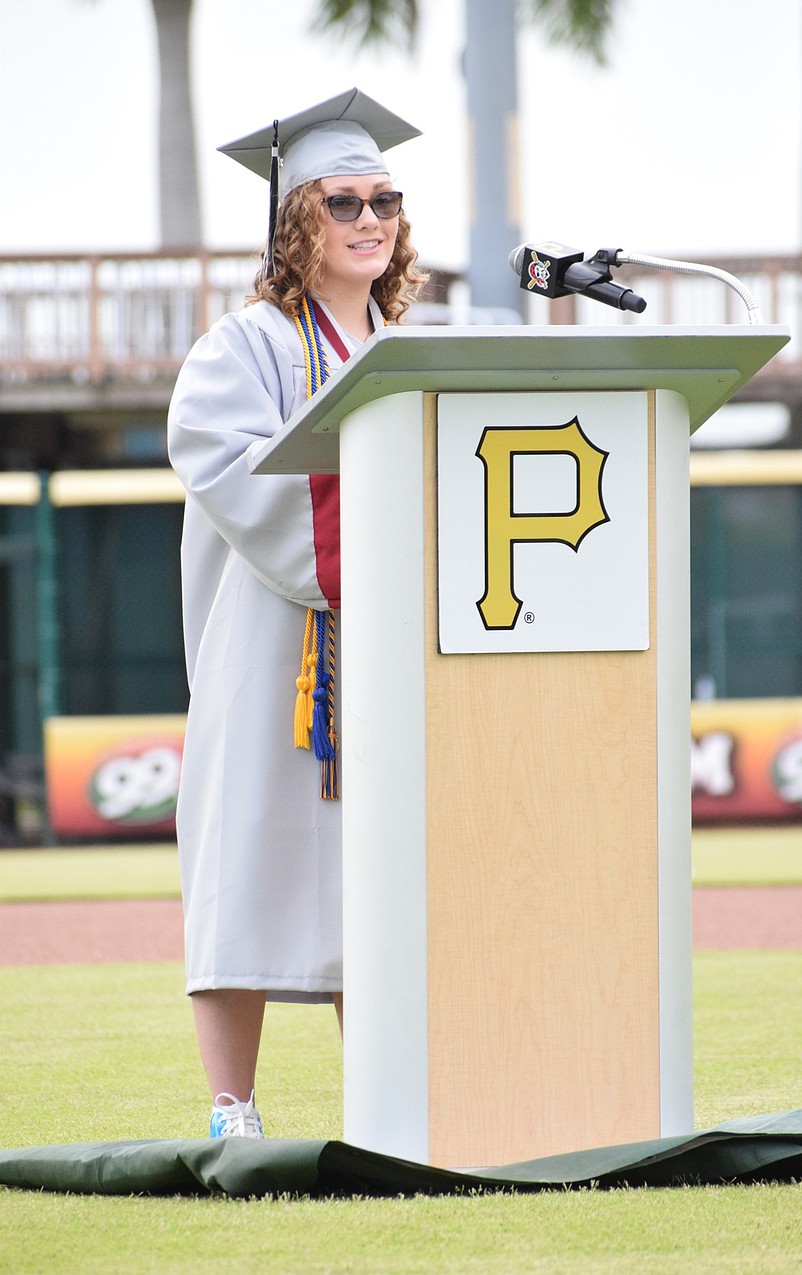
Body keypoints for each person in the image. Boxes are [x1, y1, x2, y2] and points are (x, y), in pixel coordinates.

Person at [167, 89, 427, 1138]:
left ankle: (387, 1104)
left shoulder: (411, 352)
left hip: (394, 656)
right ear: (296, 224)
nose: (371, 220)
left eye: (386, 200)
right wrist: (372, 535)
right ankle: (235, 1109)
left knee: (380, 872)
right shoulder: (245, 348)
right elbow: (228, 473)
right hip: (273, 652)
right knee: (252, 858)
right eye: (344, 202)